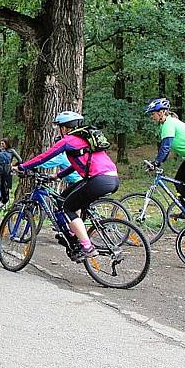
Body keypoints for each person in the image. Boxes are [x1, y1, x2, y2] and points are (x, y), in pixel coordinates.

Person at [18, 111, 119, 259]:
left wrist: (22, 167)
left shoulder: (68, 140)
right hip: (111, 178)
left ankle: (87, 247)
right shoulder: (85, 140)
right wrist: (58, 176)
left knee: (68, 208)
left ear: (64, 128)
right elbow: (76, 164)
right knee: (64, 197)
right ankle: (73, 233)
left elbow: (44, 157)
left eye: (60, 127)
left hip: (98, 180)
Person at [0, 138, 22, 209]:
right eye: (0, 144)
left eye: (3, 144)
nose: (1, 145)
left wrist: (13, 166)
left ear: (7, 144)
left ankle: (4, 202)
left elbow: (20, 160)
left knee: (6, 189)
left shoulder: (11, 151)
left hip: (7, 172)